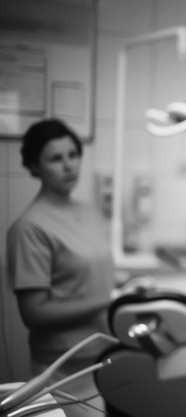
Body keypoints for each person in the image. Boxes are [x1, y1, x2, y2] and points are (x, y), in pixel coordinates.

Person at [6, 119, 115, 417]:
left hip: (103, 358)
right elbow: (34, 312)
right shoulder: (30, 228)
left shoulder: (89, 212)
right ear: (34, 166)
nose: (69, 166)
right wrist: (110, 299)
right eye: (56, 158)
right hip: (63, 370)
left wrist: (130, 288)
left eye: (73, 155)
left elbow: (92, 275)